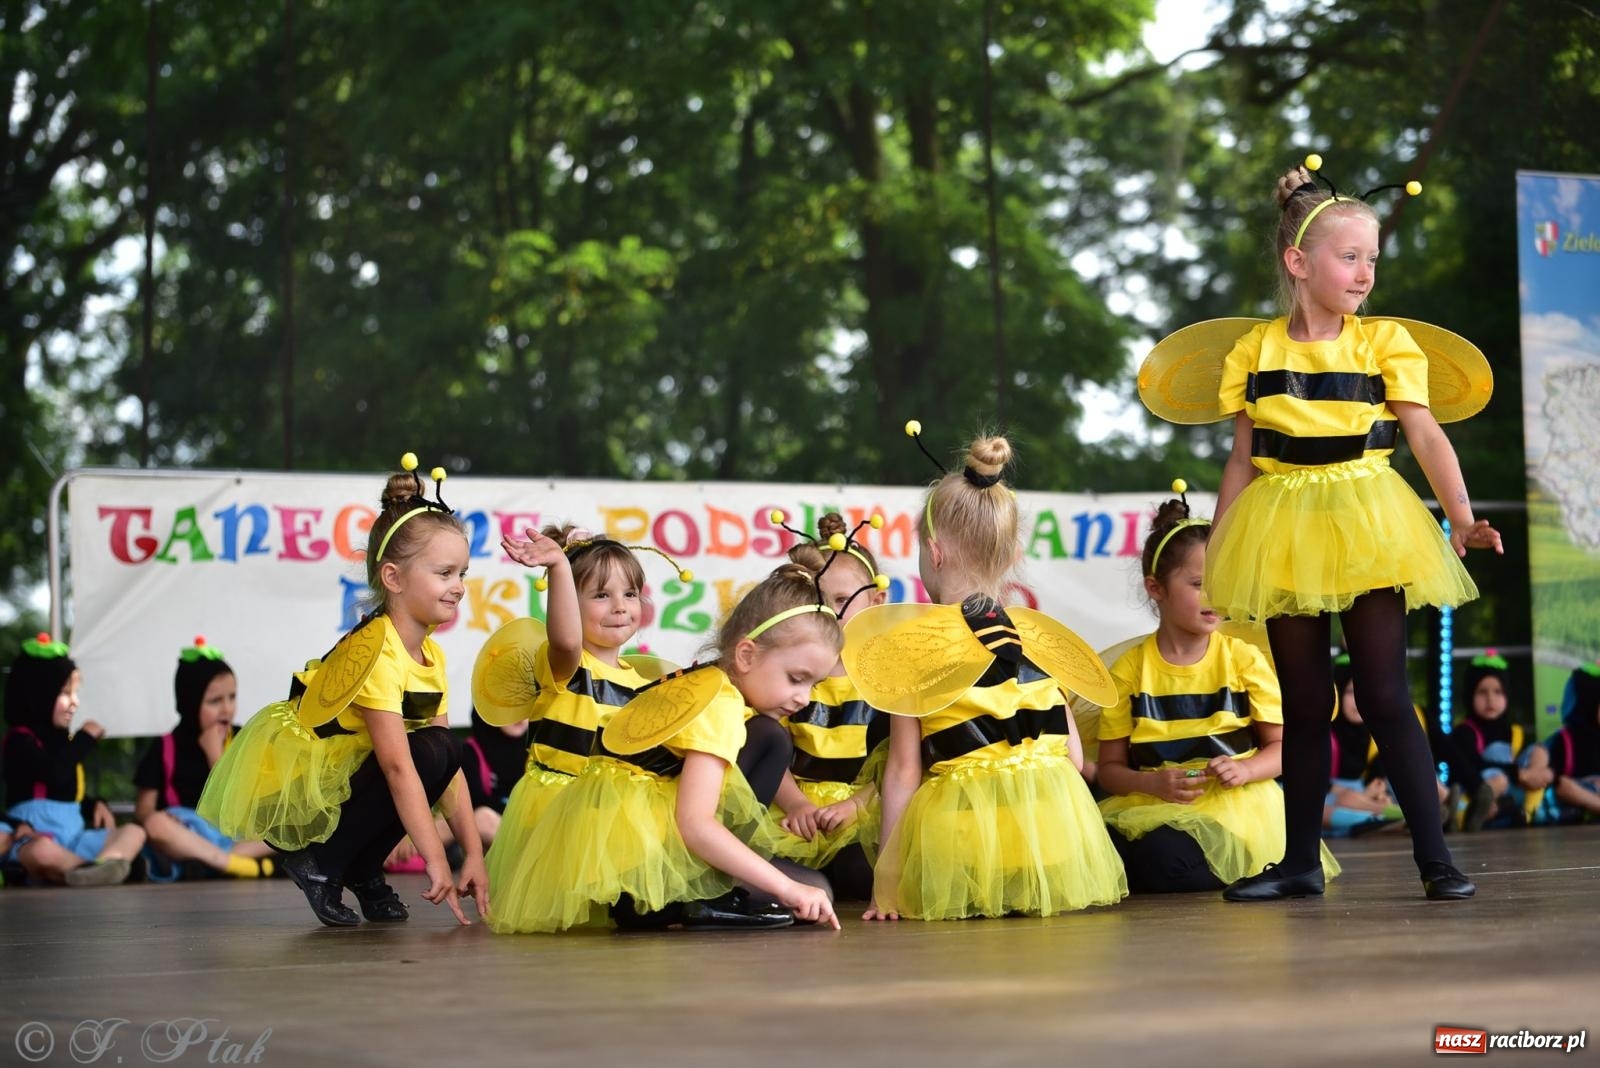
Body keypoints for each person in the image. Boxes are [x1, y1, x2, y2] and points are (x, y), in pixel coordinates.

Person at [1195, 157, 1502, 901]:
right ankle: (1300, 862)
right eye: (1349, 256)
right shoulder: (1254, 352)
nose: (1365, 272)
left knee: (1385, 692)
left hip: (1368, 521)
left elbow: (1426, 436)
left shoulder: (1384, 343)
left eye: (1372, 258)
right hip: (1283, 521)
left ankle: (1438, 859)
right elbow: (1243, 458)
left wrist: (1460, 519)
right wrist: (1221, 543)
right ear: (1299, 262)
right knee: (1303, 705)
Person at [849, 428, 1127, 921]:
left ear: (933, 552)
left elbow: (902, 773)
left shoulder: (913, 651)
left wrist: (885, 886)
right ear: (1010, 556)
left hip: (963, 852)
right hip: (1054, 848)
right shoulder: (1040, 638)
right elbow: (1074, 756)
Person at [199, 456, 487, 927]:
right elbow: (396, 767)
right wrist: (437, 857)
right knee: (427, 753)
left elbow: (445, 769)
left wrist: (473, 854)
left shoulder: (430, 657)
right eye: (445, 573)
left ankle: (360, 866)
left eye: (463, 575)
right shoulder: (378, 651)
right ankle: (323, 862)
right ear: (392, 577)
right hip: (317, 784)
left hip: (357, 775)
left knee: (442, 751)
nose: (458, 588)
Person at [487, 561, 842, 933]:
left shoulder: (710, 682)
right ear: (747, 655)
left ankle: (682, 894)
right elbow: (695, 824)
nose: (804, 698)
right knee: (771, 742)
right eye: (796, 679)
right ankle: (687, 895)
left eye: (813, 685)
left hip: (623, 855)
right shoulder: (718, 702)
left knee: (815, 887)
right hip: (633, 861)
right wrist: (786, 888)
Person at [1097, 483, 1340, 892]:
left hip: (1231, 811)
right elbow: (1110, 770)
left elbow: (1286, 749)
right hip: (1150, 806)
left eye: (1221, 581)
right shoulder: (1129, 670)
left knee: (1163, 859)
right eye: (1197, 584)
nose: (1213, 596)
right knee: (1102, 850)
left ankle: (1207, 868)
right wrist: (1150, 783)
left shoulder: (1243, 659)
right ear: (1156, 588)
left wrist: (1244, 769)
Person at [482, 526, 667, 889]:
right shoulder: (567, 665)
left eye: (630, 594)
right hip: (563, 811)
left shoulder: (639, 680)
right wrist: (558, 568)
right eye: (601, 595)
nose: (620, 606)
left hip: (614, 815)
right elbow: (566, 639)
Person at [768, 510, 893, 901]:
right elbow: (774, 752)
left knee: (860, 872)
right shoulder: (792, 674)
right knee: (781, 862)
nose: (831, 613)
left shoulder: (887, 678)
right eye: (819, 601)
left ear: (877, 600)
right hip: (802, 809)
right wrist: (796, 804)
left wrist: (858, 806)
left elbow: (901, 762)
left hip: (864, 810)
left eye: (843, 600)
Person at [2, 633, 146, 885]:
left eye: (75, 693)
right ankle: (90, 870)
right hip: (36, 835)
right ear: (39, 694)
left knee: (133, 831)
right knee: (41, 851)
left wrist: (93, 805)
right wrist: (84, 740)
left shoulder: (63, 743)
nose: (75, 703)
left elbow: (68, 792)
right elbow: (53, 773)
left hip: (74, 837)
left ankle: (104, 864)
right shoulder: (19, 740)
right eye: (65, 693)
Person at [134, 639, 275, 879]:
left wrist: (215, 756)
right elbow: (143, 810)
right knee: (156, 825)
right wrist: (157, 818)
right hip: (188, 834)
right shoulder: (165, 745)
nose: (227, 709)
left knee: (286, 826)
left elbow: (245, 804)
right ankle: (233, 864)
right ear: (190, 702)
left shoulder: (242, 738)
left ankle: (213, 862)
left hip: (235, 835)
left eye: (232, 697)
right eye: (215, 701)